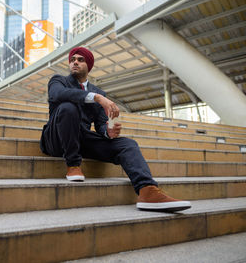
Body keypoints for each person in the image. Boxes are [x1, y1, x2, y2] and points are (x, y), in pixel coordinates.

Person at [40, 47, 191, 212]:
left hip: (82, 139)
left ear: (88, 65)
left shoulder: (99, 91)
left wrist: (108, 131)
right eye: (72, 59)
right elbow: (58, 94)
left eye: (80, 59)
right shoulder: (58, 80)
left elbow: (100, 124)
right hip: (55, 138)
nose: (75, 62)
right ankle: (73, 164)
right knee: (68, 107)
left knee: (128, 144)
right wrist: (96, 98)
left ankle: (147, 191)